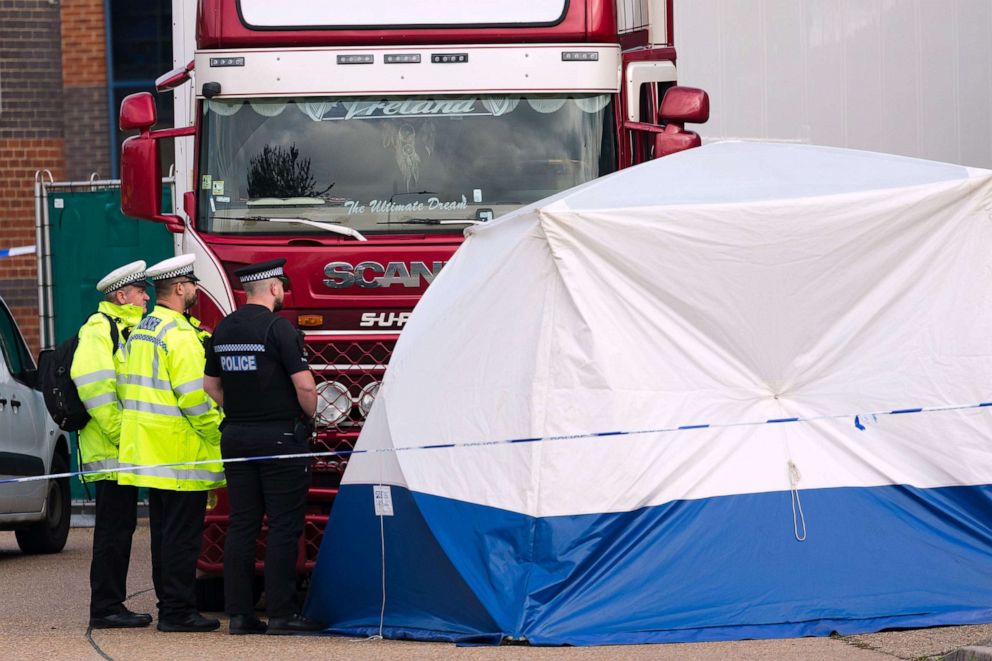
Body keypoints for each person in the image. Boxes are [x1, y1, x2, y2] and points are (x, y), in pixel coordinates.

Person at [202, 258, 322, 636]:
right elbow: (305, 386)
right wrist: (310, 418)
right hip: (280, 438)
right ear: (272, 289)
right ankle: (282, 614)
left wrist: (238, 410)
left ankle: (239, 615)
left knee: (242, 524)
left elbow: (209, 385)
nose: (283, 292)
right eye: (282, 286)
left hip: (236, 435)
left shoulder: (223, 328)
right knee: (284, 526)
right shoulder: (278, 329)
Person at [117, 254, 225, 633]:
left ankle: (170, 605)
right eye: (193, 284)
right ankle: (178, 612)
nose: (195, 290)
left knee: (164, 535)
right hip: (180, 451)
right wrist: (217, 432)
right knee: (181, 537)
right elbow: (195, 399)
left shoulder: (143, 329)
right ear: (180, 288)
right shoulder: (179, 334)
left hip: (150, 451)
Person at [71, 260, 153, 629]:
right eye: (140, 292)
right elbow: (94, 386)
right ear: (122, 295)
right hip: (110, 450)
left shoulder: (128, 329)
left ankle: (111, 605)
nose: (146, 297)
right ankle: (106, 608)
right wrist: (123, 436)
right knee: (112, 531)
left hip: (123, 449)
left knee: (121, 529)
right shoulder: (99, 329)